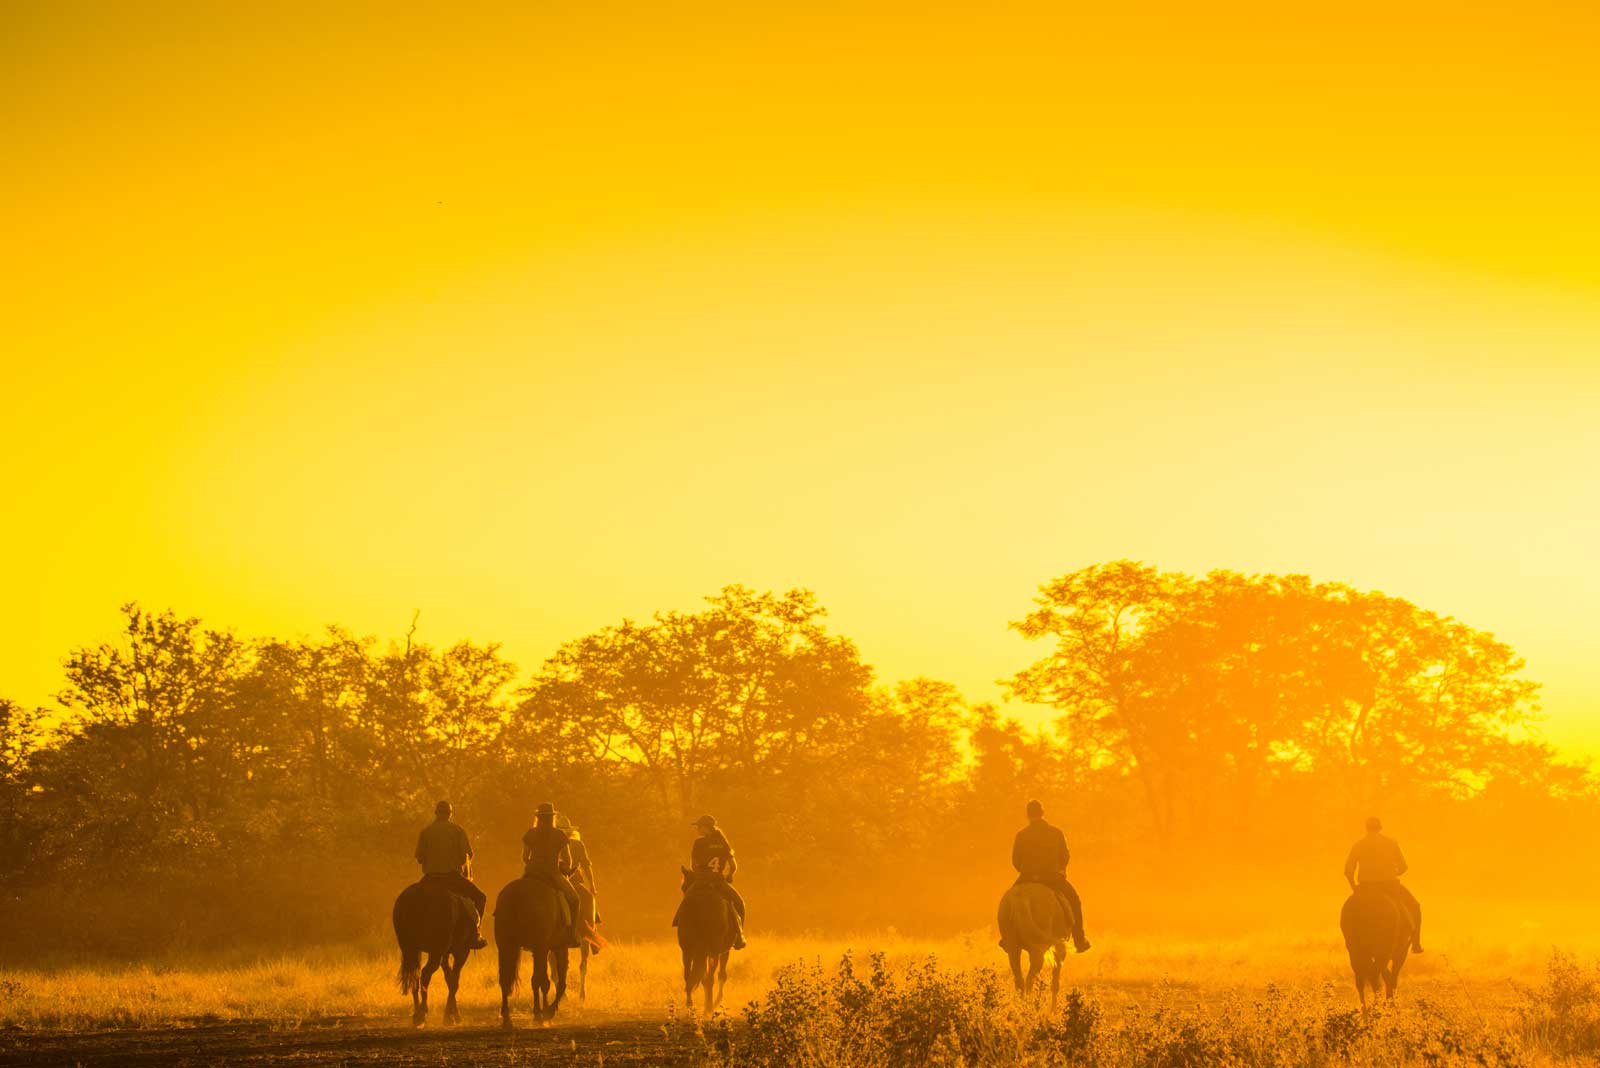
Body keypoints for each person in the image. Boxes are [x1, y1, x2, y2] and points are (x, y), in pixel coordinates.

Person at [1011, 799, 1090, 953]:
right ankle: (1079, 940)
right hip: (1052, 878)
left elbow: (1016, 860)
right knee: (1074, 901)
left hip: (1027, 877)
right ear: (1043, 813)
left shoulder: (1021, 835)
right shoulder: (1056, 833)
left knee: (1010, 902)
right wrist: (1060, 869)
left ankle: (1008, 938)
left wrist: (1027, 872)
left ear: (1028, 815)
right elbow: (1065, 856)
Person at [414, 800, 488, 949]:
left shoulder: (426, 832)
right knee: (480, 897)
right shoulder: (457, 831)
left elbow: (419, 858)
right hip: (451, 877)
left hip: (430, 878)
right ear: (450, 814)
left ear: (436, 813)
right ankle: (475, 934)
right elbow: (467, 855)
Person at [1344, 816, 1424, 952]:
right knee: (1415, 907)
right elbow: (1404, 867)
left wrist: (1355, 889)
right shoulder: (1391, 843)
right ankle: (1416, 943)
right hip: (1389, 885)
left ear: (1366, 828)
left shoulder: (1358, 845)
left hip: (1364, 887)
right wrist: (1392, 873)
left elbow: (1348, 871)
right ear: (1380, 828)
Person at [522, 802, 582, 948]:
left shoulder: (530, 834)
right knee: (575, 900)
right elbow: (568, 860)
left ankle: (521, 933)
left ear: (538, 818)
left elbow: (525, 857)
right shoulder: (559, 835)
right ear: (552, 818)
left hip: (531, 873)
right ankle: (571, 935)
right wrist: (563, 866)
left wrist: (534, 864)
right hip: (553, 874)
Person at [682, 814, 746, 950]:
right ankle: (740, 937)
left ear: (706, 828)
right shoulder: (723, 842)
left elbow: (693, 865)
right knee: (739, 904)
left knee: (686, 900)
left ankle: (682, 929)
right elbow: (733, 865)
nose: (697, 829)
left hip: (701, 881)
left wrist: (700, 875)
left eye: (699, 827)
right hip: (719, 882)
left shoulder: (698, 842)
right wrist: (730, 875)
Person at [557, 814, 601, 953]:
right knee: (588, 898)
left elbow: (587, 865)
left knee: (588, 898)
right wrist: (592, 884)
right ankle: (591, 932)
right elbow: (586, 866)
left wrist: (592, 883)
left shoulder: (554, 841)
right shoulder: (576, 844)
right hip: (572, 882)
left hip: (554, 880)